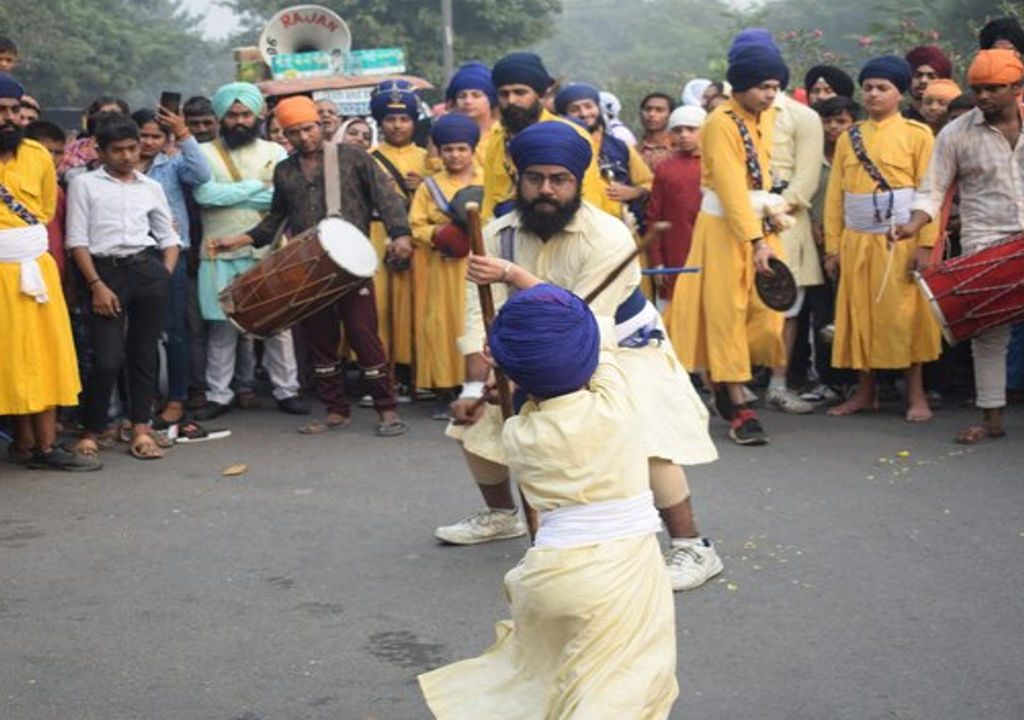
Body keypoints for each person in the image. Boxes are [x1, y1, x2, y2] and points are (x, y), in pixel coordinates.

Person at [442, 121, 720, 591]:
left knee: (646, 440)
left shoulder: (607, 237)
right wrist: (477, 385)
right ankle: (502, 515)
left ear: (577, 182)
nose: (546, 190)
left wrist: (512, 276)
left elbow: (582, 325)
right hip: (528, 347)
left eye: (559, 179)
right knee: (475, 421)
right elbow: (477, 317)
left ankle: (693, 547)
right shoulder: (496, 233)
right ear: (518, 179)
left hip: (617, 348)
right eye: (535, 179)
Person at [419, 284, 678, 719]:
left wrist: (503, 361)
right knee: (621, 690)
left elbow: (532, 392)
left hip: (551, 578)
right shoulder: (618, 406)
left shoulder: (519, 434)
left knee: (562, 681)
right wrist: (511, 275)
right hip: (620, 575)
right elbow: (596, 329)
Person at [212, 96, 411, 437]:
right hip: (306, 268)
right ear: (284, 136)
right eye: (294, 133)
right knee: (320, 340)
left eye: (308, 129)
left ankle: (387, 408)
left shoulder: (354, 157)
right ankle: (335, 410)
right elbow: (276, 219)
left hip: (352, 266)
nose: (303, 137)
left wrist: (401, 235)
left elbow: (386, 198)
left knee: (364, 335)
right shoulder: (285, 170)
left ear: (319, 125)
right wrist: (241, 239)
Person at [665, 31, 790, 446]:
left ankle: (722, 382)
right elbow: (732, 189)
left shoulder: (761, 118)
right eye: (764, 87)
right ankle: (737, 405)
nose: (771, 95)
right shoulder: (719, 124)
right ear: (740, 85)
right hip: (725, 232)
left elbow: (760, 178)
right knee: (727, 315)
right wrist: (756, 241)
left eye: (776, 87)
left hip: (758, 227)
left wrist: (770, 214)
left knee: (766, 313)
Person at [895, 49, 1024, 444]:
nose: (983, 97)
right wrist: (913, 224)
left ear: (1017, 88)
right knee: (989, 336)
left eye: (994, 89)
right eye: (977, 89)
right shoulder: (956, 133)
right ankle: (992, 420)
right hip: (985, 237)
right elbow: (931, 189)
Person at [823, 55, 941, 421]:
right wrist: (833, 246)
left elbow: (930, 191)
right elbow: (835, 196)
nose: (873, 94)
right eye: (869, 87)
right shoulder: (850, 137)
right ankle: (866, 392)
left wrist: (925, 244)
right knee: (859, 314)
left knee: (904, 315)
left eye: (882, 88)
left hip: (901, 238)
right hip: (857, 239)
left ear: (899, 93)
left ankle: (916, 395)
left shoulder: (917, 134)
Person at [66, 117, 181, 460]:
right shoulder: (85, 185)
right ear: (99, 151)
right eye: (117, 150)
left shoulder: (150, 187)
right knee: (106, 359)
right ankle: (93, 428)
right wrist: (96, 285)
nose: (127, 156)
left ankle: (141, 428)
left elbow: (169, 237)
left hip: (146, 270)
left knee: (144, 354)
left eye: (132, 148)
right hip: (104, 273)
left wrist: (164, 273)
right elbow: (77, 241)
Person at [192, 82, 308, 421]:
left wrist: (230, 192)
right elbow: (204, 197)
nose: (239, 121)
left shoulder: (275, 151)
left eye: (245, 114)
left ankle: (287, 391)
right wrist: (259, 186)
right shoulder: (203, 153)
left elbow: (279, 201)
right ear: (221, 117)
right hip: (218, 251)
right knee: (222, 327)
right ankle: (218, 394)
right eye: (232, 115)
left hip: (268, 250)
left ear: (257, 115)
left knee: (278, 325)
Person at [0, 73, 94, 470]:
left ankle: (47, 445)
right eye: (1, 110)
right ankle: (21, 443)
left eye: (14, 110)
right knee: (9, 359)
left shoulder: (37, 155)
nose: (9, 118)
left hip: (32, 270)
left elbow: (42, 211)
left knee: (45, 356)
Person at [131, 107, 212, 436]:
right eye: (142, 135)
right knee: (138, 333)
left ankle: (177, 399)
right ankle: (143, 399)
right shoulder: (117, 167)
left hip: (170, 253)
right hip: (131, 255)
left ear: (165, 140)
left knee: (174, 329)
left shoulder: (173, 164)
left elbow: (203, 174)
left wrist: (183, 133)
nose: (148, 142)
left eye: (155, 136)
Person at [479, 52, 603, 220]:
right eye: (504, 94)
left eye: (520, 92)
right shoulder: (497, 138)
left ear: (541, 94)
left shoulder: (571, 136)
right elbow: (490, 200)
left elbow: (590, 201)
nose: (511, 101)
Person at [409, 113, 482, 397]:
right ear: (439, 151)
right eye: (448, 149)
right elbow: (416, 225)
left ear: (472, 149)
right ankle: (447, 385)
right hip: (443, 265)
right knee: (443, 323)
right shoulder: (429, 187)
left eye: (462, 148)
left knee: (474, 320)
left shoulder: (487, 180)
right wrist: (437, 235)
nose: (455, 155)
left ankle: (476, 382)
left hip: (479, 263)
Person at [765, 65, 825, 414]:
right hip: (742, 221)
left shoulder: (802, 117)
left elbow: (806, 179)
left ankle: (778, 384)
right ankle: (733, 386)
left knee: (785, 305)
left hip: (786, 221)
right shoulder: (727, 116)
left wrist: (773, 208)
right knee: (740, 304)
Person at [368, 80, 430, 397]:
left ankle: (413, 372)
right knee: (380, 306)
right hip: (378, 235)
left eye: (404, 118)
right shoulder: (368, 157)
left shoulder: (427, 158)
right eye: (390, 119)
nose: (397, 125)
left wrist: (424, 185)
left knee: (413, 305)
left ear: (413, 122)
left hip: (417, 236)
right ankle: (381, 373)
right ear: (380, 122)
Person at [797, 96, 861, 404]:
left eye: (841, 121)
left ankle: (857, 380)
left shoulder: (859, 157)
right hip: (816, 246)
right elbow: (800, 194)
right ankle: (827, 380)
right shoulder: (810, 158)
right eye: (828, 121)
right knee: (822, 315)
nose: (834, 127)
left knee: (852, 312)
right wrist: (810, 223)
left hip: (856, 244)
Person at [555, 82, 652, 223]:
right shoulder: (559, 150)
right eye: (574, 109)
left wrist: (635, 192)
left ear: (598, 108)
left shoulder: (621, 147)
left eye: (588, 106)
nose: (584, 113)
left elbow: (649, 182)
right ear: (564, 115)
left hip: (620, 228)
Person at [646, 105, 706, 308]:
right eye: (678, 130)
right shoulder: (665, 168)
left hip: (712, 256)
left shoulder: (717, 165)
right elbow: (654, 217)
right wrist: (657, 262)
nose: (684, 135)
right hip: (675, 258)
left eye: (691, 129)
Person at [23, 120, 68, 279]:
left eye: (58, 152)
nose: (51, 158)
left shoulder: (60, 190)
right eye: (46, 151)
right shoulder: (12, 186)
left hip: (55, 268)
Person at [58, 96, 130, 180]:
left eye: (115, 115)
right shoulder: (69, 152)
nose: (109, 119)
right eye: (104, 114)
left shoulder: (130, 154)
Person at [445, 62, 498, 167]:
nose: (468, 101)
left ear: (490, 99)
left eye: (476, 95)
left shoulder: (502, 135)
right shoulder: (447, 134)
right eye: (462, 96)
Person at [904, 45, 953, 123]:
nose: (923, 81)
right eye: (918, 75)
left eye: (931, 76)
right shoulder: (899, 123)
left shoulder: (952, 122)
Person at [637, 92, 675, 170]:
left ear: (671, 115)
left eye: (659, 110)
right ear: (640, 114)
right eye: (648, 109)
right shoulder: (632, 151)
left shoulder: (679, 149)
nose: (652, 114)